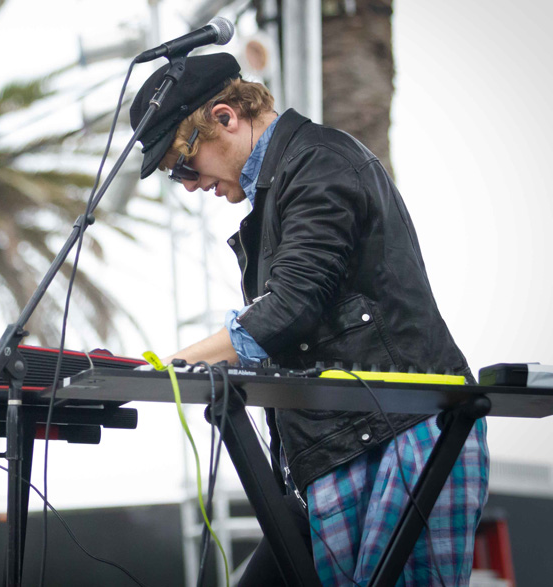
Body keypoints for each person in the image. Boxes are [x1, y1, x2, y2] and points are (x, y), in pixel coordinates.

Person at [129, 53, 488, 586]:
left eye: (183, 163)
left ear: (225, 117)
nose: (187, 184)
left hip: (401, 437)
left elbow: (292, 306)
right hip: (346, 443)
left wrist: (173, 365)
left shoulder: (318, 161)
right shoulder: (283, 188)